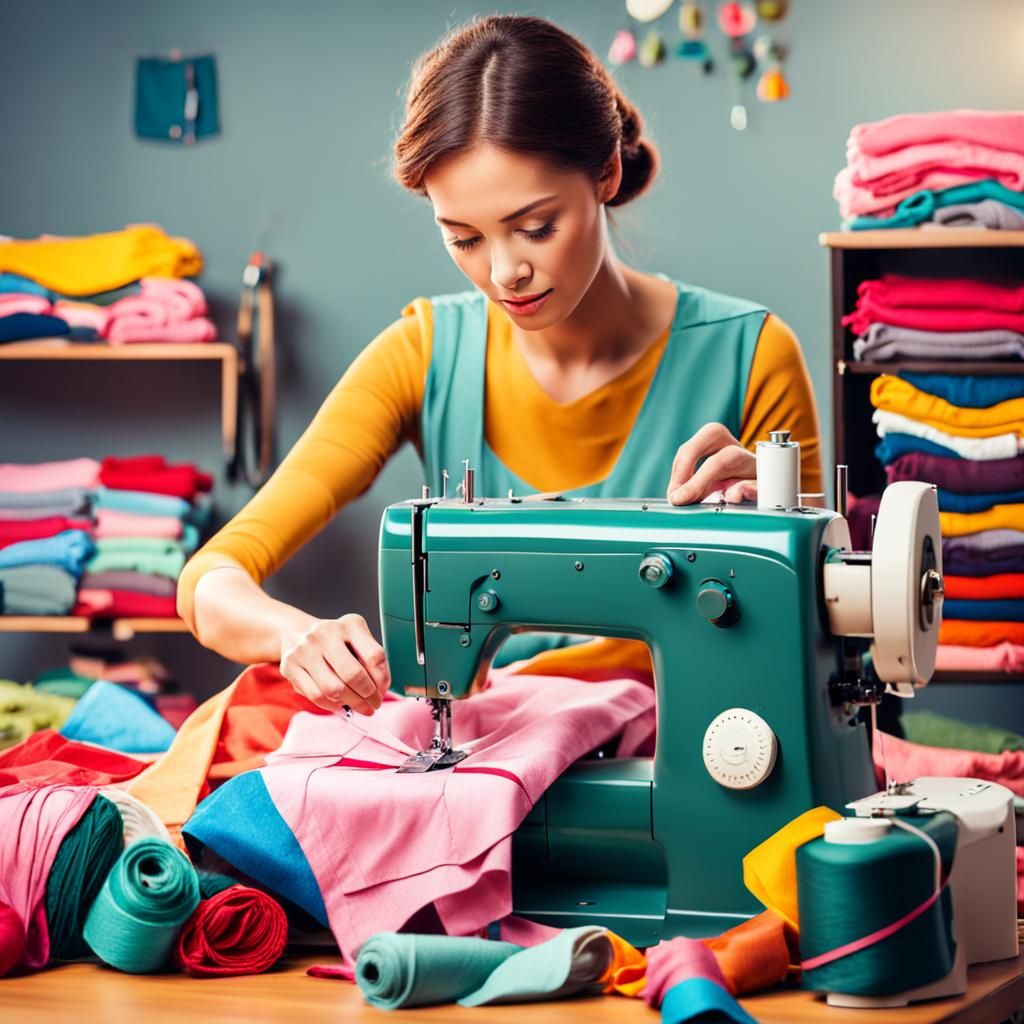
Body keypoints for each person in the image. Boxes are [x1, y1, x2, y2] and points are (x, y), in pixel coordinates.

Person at [177, 14, 822, 716]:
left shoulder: (751, 357)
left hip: (691, 737)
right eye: (463, 238)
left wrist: (783, 541)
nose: (505, 271)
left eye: (536, 227)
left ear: (605, 173)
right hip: (490, 746)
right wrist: (295, 634)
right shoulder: (423, 353)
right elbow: (210, 579)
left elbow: (825, 634)